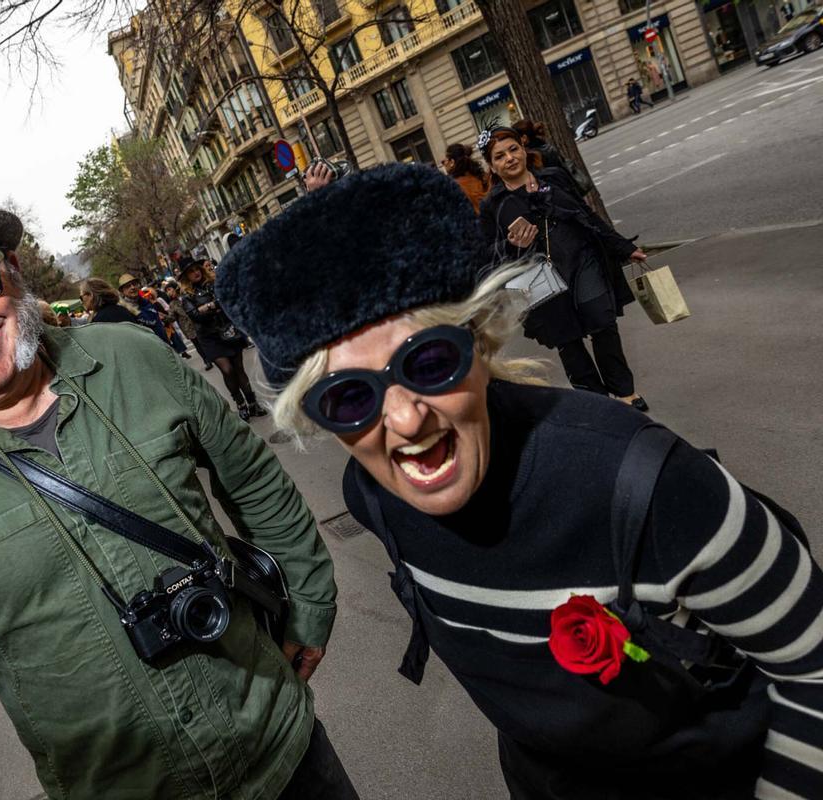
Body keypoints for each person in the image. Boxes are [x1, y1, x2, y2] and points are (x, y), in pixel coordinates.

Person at [215, 162, 823, 800]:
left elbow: (812, 669)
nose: (403, 419)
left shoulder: (646, 485)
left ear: (480, 343)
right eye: (347, 400)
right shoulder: (371, 499)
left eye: (428, 362)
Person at [0, 177, 350, 800]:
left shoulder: (136, 357)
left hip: (286, 755)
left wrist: (309, 608)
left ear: (13, 272)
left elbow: (260, 489)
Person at [478, 127, 650, 411]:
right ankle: (596, 402)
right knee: (568, 340)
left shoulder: (554, 178)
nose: (509, 158)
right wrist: (511, 244)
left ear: (523, 148)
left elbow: (588, 216)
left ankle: (624, 391)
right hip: (538, 279)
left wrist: (623, 247)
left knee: (603, 321)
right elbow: (486, 254)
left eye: (512, 150)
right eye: (499, 156)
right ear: (492, 166)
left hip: (582, 260)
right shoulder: (493, 206)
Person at [179, 256, 267, 421]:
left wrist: (208, 307)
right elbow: (196, 316)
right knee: (227, 370)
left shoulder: (213, 283)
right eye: (191, 271)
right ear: (186, 277)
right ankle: (240, 404)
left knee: (239, 369)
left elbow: (226, 300)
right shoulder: (186, 296)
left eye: (197, 268)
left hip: (227, 330)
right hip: (209, 337)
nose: (196, 272)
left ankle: (252, 403)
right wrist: (213, 305)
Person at [512, 119, 593, 197]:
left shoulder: (533, 156)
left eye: (515, 138)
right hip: (567, 192)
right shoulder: (546, 147)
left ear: (524, 138)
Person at [163, 280, 212, 369]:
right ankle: (206, 361)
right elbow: (172, 318)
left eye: (170, 289)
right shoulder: (172, 304)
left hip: (198, 321)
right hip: (187, 327)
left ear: (175, 288)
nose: (169, 292)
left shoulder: (186, 295)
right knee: (197, 345)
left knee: (205, 340)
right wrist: (163, 317)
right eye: (167, 291)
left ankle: (212, 355)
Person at [118, 274, 169, 342]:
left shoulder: (147, 302)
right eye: (128, 286)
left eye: (134, 284)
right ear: (122, 291)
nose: (132, 287)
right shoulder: (123, 311)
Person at [440, 143, 488, 212]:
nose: (443, 164)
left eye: (443, 161)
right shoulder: (482, 176)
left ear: (452, 162)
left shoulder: (453, 186)